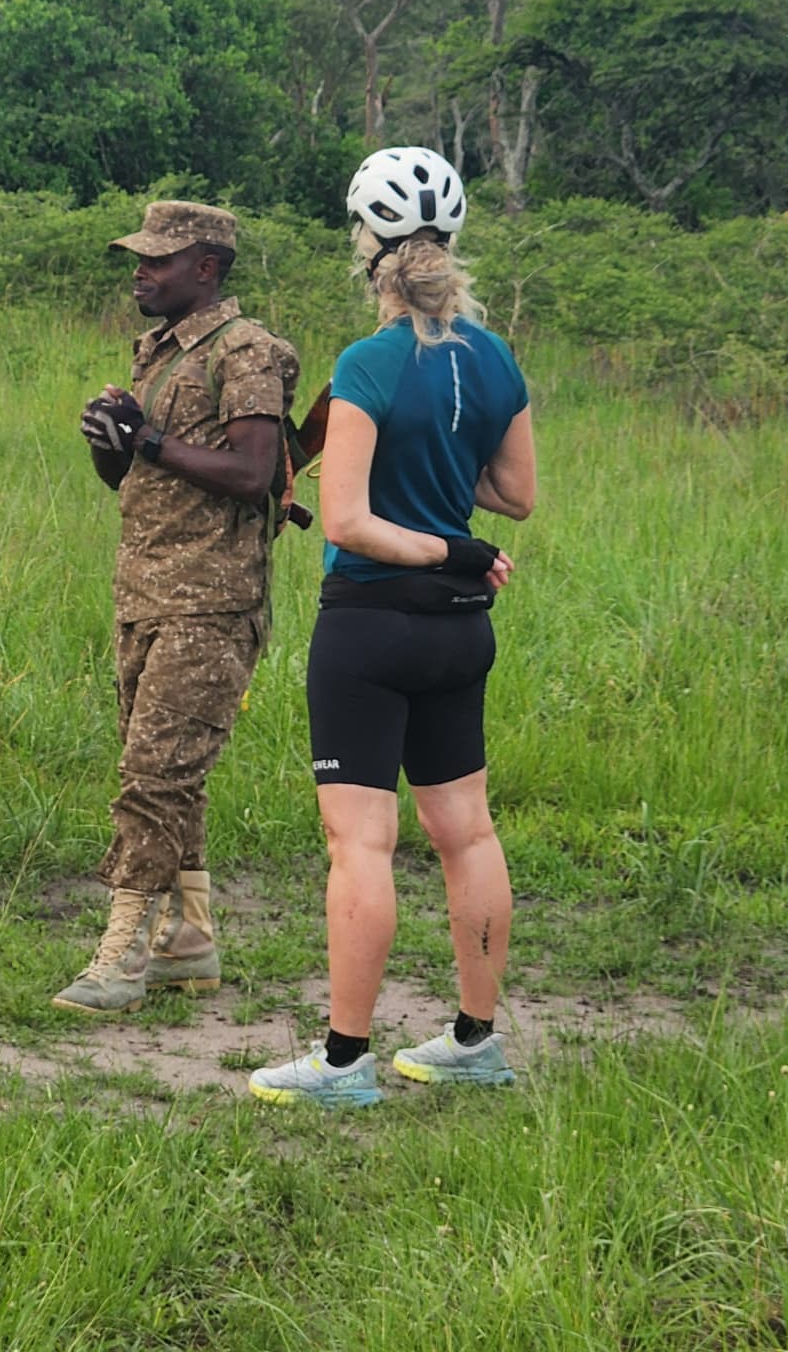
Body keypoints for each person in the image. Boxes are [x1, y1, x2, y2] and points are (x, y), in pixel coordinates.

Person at [247, 148, 535, 1108]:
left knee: (359, 844)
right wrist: (454, 512)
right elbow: (517, 496)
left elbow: (346, 521)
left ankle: (341, 1061)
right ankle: (476, 1038)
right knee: (466, 829)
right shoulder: (494, 358)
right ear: (449, 243)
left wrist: (436, 546)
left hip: (373, 624)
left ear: (369, 245)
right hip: (460, 631)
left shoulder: (368, 363)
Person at [57, 203, 299, 1015]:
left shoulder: (245, 350)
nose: (140, 273)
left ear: (206, 267)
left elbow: (254, 473)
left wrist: (150, 441)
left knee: (152, 779)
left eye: (158, 261)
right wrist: (112, 442)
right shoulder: (157, 351)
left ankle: (120, 954)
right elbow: (131, 481)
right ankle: (187, 941)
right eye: (139, 259)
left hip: (212, 602)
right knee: (169, 777)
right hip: (147, 591)